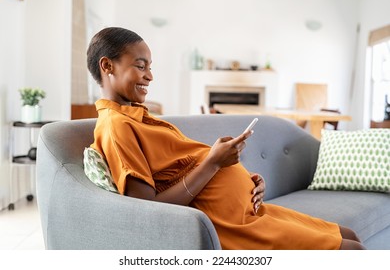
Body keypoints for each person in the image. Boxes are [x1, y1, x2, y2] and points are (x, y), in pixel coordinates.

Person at [86, 27, 365, 250]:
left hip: (252, 211)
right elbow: (147, 210)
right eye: (140, 65)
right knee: (351, 250)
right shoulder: (116, 126)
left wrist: (249, 182)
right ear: (108, 66)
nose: (150, 75)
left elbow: (182, 169)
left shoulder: (139, 116)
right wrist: (214, 163)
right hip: (232, 227)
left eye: (150, 66)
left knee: (349, 234)